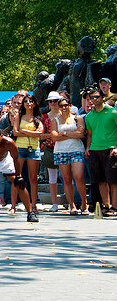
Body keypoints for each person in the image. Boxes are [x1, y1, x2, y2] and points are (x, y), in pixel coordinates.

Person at [50, 97, 88, 215]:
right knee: (66, 179)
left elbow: (81, 133)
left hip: (76, 149)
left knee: (78, 176)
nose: (64, 108)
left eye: (66, 105)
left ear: (70, 105)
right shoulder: (55, 120)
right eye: (61, 106)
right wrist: (72, 134)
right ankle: (72, 205)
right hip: (61, 151)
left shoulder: (78, 118)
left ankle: (84, 202)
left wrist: (65, 133)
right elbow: (55, 137)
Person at [83, 86, 117, 215]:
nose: (93, 99)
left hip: (110, 149)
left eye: (96, 97)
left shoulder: (113, 112)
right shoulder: (89, 116)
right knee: (100, 179)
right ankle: (106, 206)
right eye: (91, 98)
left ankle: (115, 206)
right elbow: (90, 135)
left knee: (113, 180)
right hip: (95, 150)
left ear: (103, 98)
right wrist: (87, 148)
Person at [11, 94, 45, 217]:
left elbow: (40, 133)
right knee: (17, 177)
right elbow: (15, 132)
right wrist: (31, 133)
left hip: (34, 149)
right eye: (26, 101)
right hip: (20, 147)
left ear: (35, 103)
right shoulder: (19, 116)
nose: (28, 103)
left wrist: (24, 131)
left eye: (31, 101)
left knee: (33, 179)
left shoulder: (38, 118)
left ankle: (34, 205)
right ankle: (13, 205)